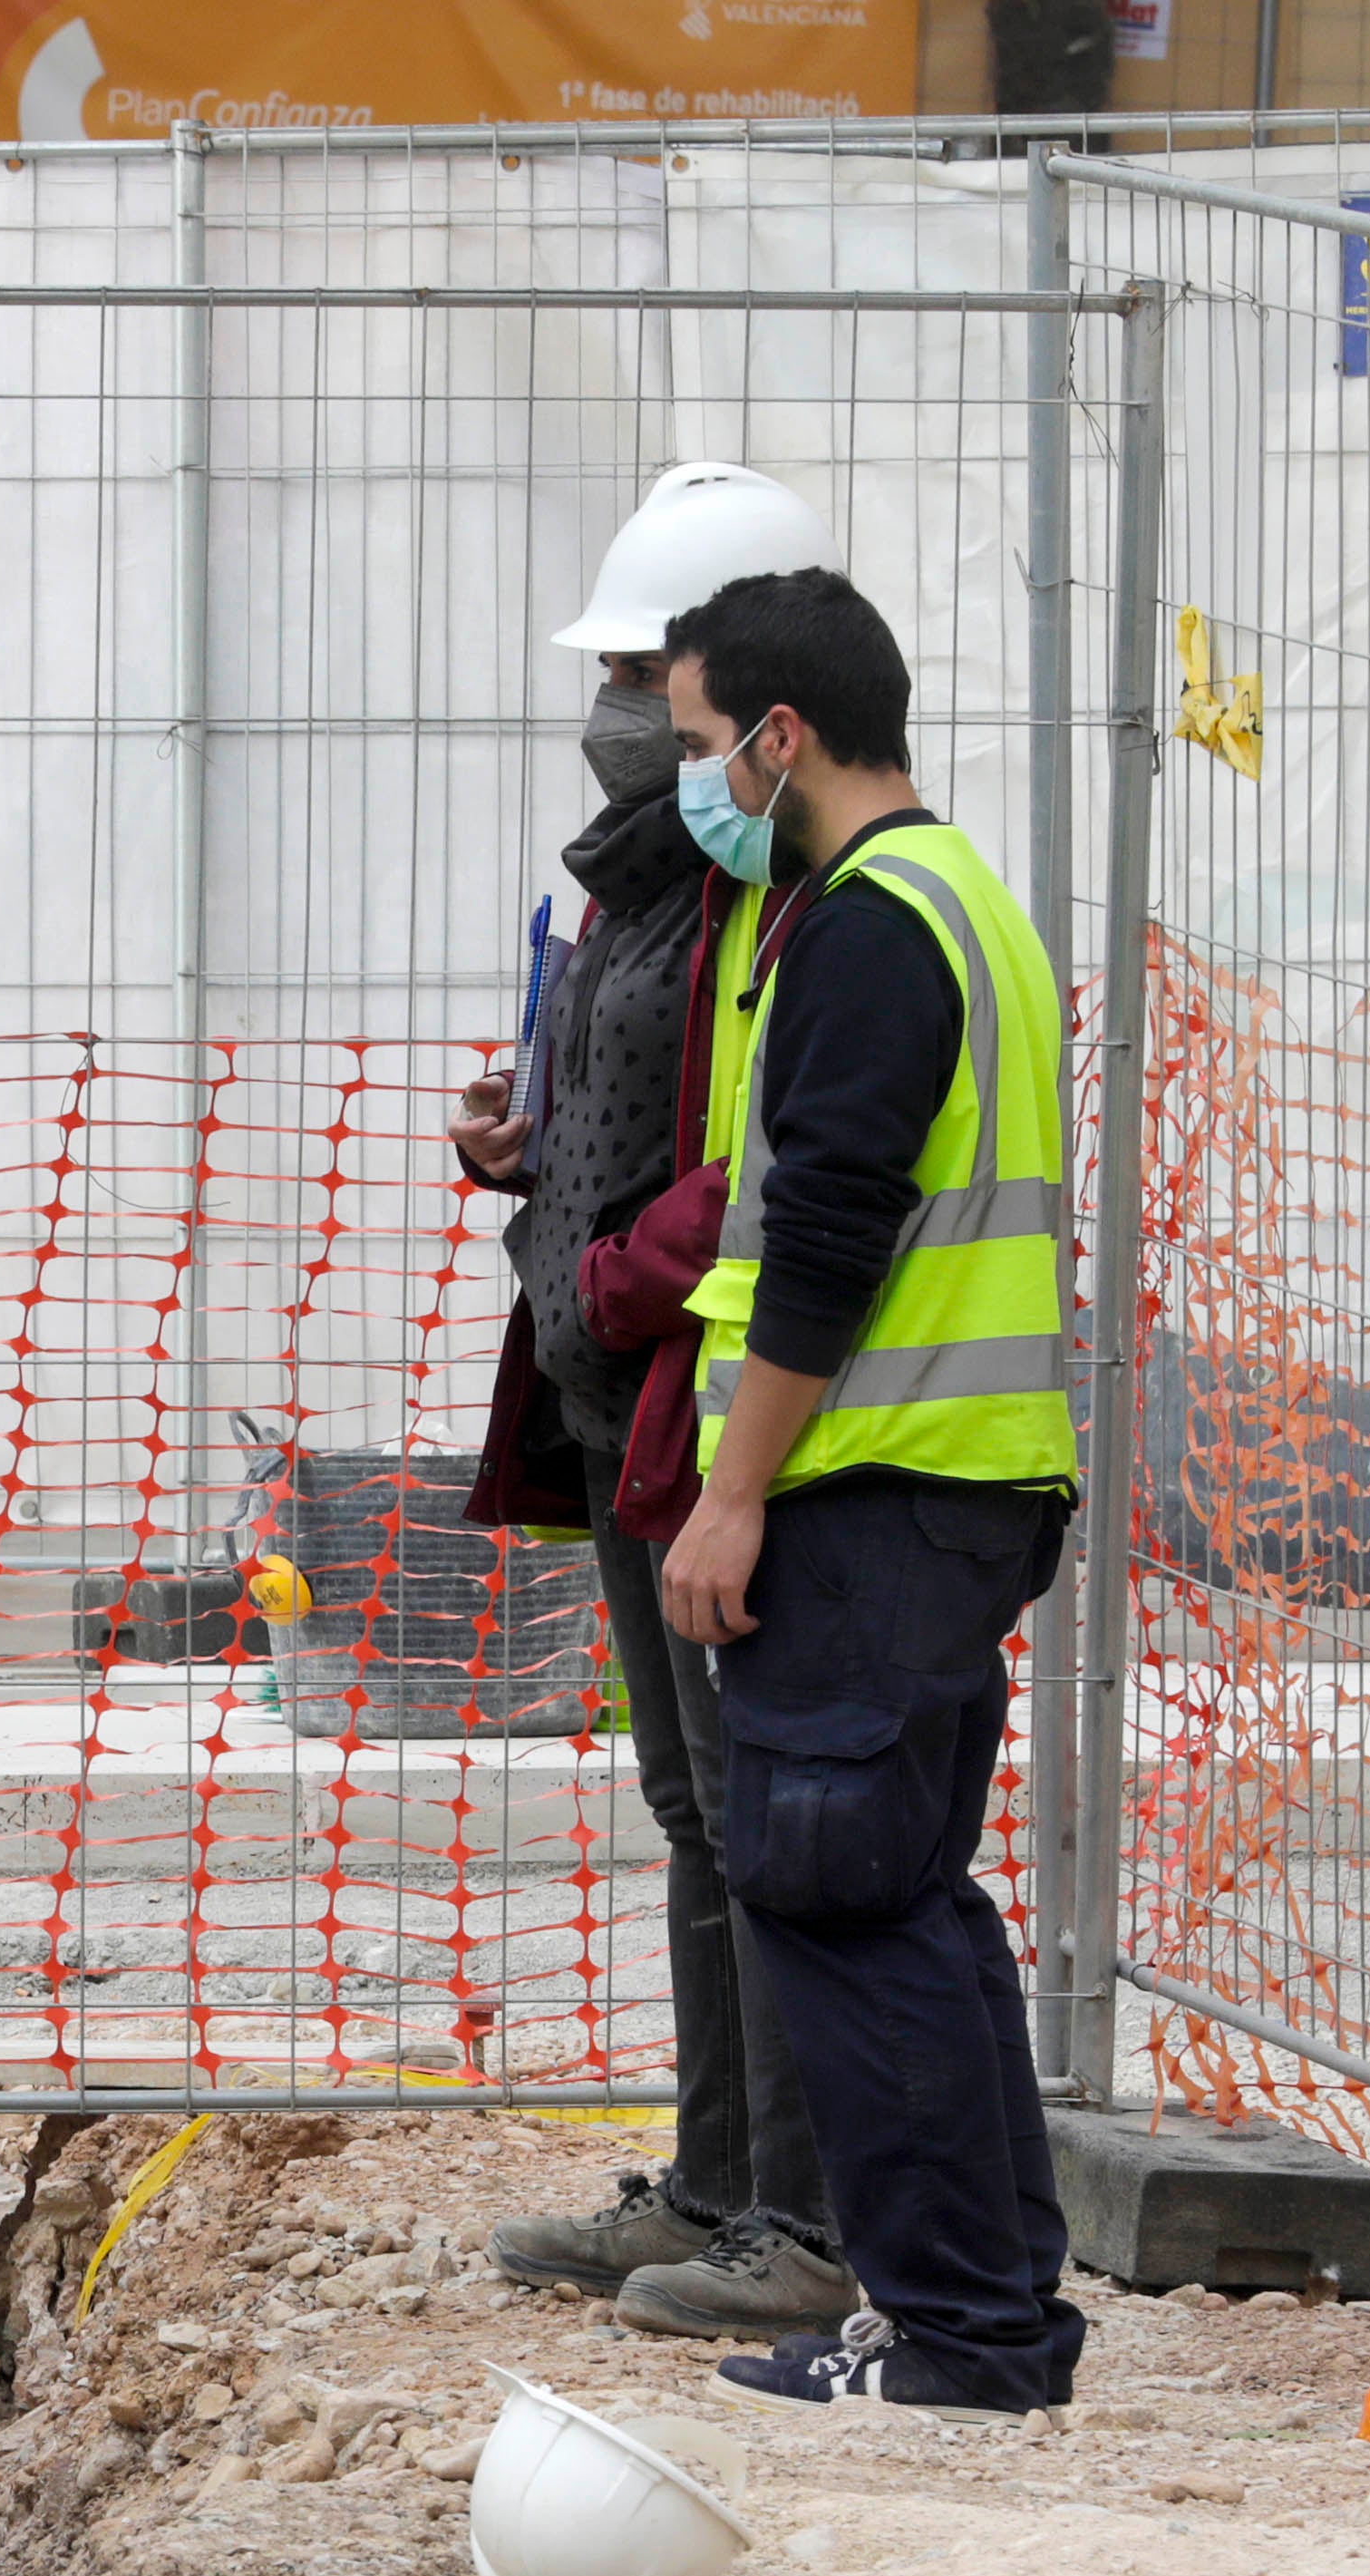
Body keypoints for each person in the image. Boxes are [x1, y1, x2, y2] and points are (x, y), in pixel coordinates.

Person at [649, 564, 1092, 2416]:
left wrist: (732, 1489)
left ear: (780, 734)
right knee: (908, 1895)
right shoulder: (959, 897)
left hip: (875, 1481)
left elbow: (828, 1234)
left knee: (839, 1895)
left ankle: (964, 2336)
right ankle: (988, 2312)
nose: (687, 783)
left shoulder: (867, 923)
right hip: (957, 1475)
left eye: (694, 744)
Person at [464, 464, 858, 2345]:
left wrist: (621, 1260)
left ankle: (797, 2208)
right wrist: (535, 1155)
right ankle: (718, 2183)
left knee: (756, 1807)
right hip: (624, 1388)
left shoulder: (778, 887)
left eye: (647, 667)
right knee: (693, 1804)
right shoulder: (642, 875)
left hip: (704, 1384)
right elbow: (649, 1103)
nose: (620, 703)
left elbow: (782, 1145)